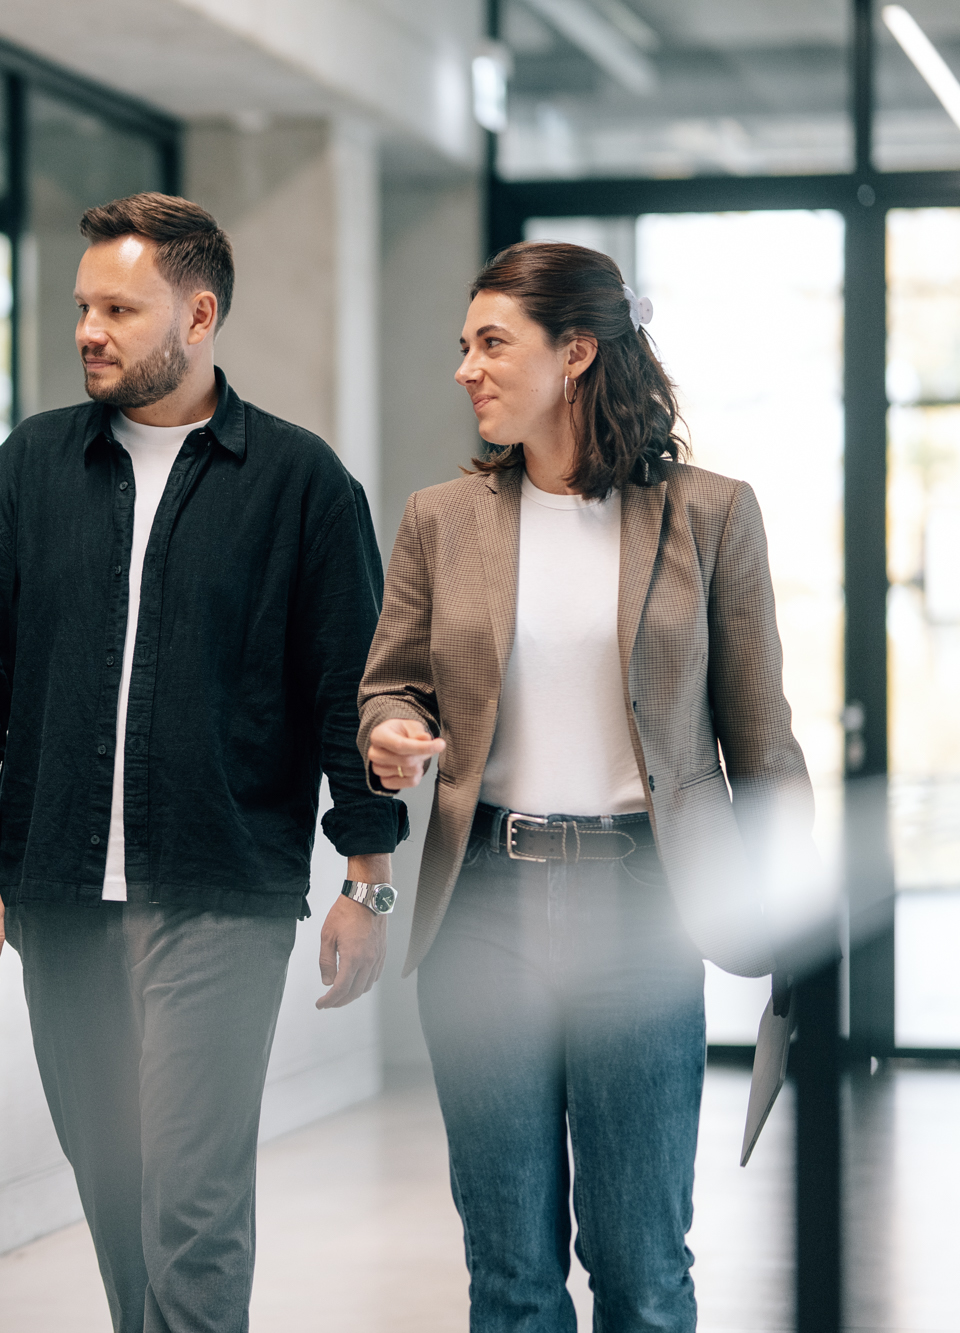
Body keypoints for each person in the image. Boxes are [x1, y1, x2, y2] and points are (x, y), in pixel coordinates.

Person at [0, 192, 408, 1333]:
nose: (87, 327)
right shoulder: (27, 469)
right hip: (58, 895)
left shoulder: (297, 482)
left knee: (191, 1201)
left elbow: (349, 693)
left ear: (196, 315)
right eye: (82, 304)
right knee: (117, 1194)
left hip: (218, 894)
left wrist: (365, 880)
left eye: (118, 307)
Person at [360, 240, 812, 1331]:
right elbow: (388, 687)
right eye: (462, 345)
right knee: (508, 1268)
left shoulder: (709, 515)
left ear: (574, 352)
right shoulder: (440, 519)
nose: (465, 368)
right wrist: (390, 733)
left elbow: (760, 740)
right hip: (482, 908)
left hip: (641, 908)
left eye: (488, 343)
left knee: (640, 1261)